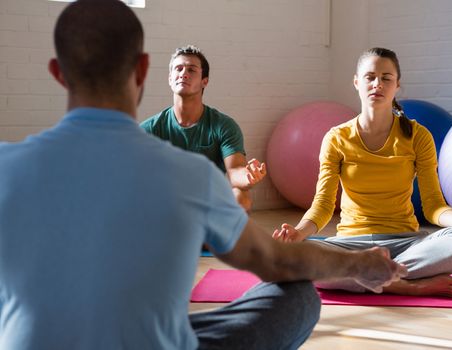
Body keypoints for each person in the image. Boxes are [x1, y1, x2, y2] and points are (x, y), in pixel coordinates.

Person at [0, 3, 407, 350]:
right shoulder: (189, 174)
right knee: (298, 294)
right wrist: (357, 264)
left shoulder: (6, 166)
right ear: (144, 70)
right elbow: (273, 260)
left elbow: (237, 174)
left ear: (57, 72)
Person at [273, 47, 452, 298]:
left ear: (397, 85)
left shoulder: (417, 136)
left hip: (406, 243)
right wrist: (298, 233)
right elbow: (323, 205)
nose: (377, 84)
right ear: (357, 82)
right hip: (352, 243)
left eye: (386, 78)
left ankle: (369, 274)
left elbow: (434, 205)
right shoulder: (336, 138)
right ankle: (405, 284)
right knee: (286, 254)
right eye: (370, 77)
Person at [140, 45, 263, 212]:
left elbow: (235, 171)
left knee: (241, 197)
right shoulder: (150, 129)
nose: (183, 73)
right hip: (166, 204)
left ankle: (213, 237)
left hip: (209, 203)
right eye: (179, 68)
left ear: (204, 81)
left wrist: (249, 176)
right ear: (170, 79)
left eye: (191, 70)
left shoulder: (224, 126)